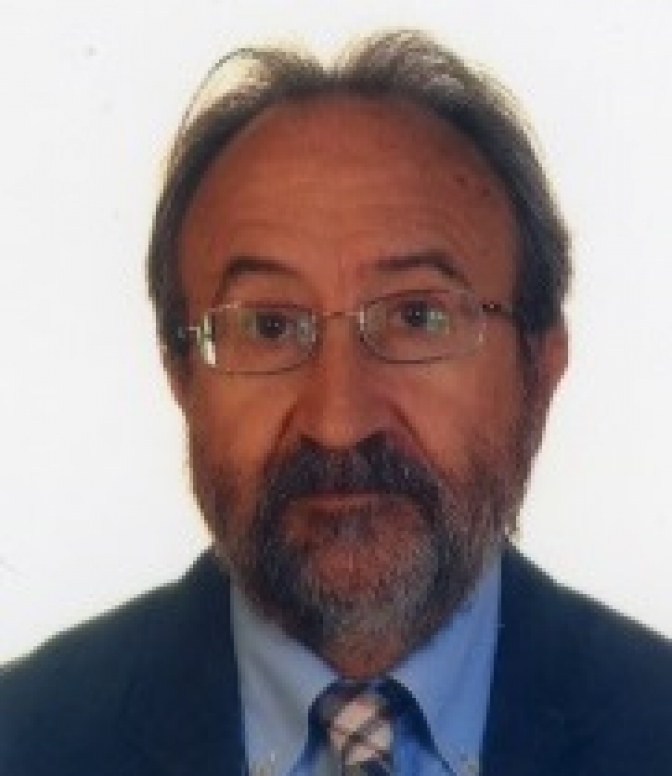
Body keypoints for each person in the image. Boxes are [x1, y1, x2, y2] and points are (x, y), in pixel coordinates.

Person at [1, 28, 671, 776]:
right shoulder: (25, 739)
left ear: (541, 368)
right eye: (268, 327)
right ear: (179, 375)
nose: (338, 422)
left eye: (417, 316)